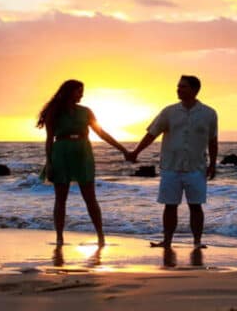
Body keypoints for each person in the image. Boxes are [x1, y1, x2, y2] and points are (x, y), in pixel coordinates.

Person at [38, 79, 131, 246]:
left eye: (82, 91)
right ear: (69, 92)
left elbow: (101, 133)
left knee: (90, 197)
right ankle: (59, 237)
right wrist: (49, 162)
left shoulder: (86, 111)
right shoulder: (54, 111)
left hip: (83, 152)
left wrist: (123, 149)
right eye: (78, 91)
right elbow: (49, 139)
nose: (81, 94)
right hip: (61, 152)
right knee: (61, 198)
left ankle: (101, 236)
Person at [129, 75, 218, 248]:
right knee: (170, 206)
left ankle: (197, 242)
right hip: (171, 166)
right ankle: (167, 241)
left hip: (196, 167)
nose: (178, 90)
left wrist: (213, 164)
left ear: (194, 90)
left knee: (196, 206)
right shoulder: (169, 112)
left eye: (183, 87)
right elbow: (152, 134)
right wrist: (136, 151)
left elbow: (212, 140)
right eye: (178, 86)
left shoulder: (209, 113)